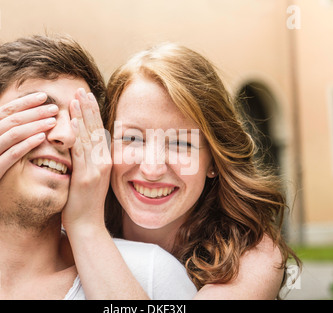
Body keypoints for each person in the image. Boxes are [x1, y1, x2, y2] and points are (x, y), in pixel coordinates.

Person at [0, 35, 197, 300]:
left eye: (82, 120)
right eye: (42, 110)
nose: (66, 135)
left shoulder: (149, 275)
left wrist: (87, 226)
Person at [99, 42, 302, 299]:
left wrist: (87, 231)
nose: (152, 169)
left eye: (181, 143)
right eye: (133, 139)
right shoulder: (59, 234)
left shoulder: (253, 257)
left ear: (214, 162)